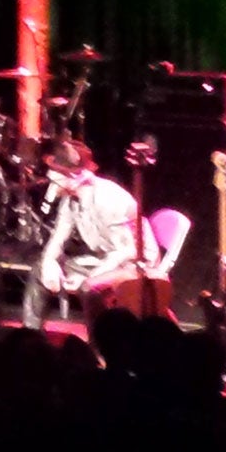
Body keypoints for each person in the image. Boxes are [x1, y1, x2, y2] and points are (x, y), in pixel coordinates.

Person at [34, 138, 164, 326]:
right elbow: (58, 238)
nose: (51, 178)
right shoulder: (70, 201)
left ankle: (99, 346)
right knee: (39, 269)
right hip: (106, 258)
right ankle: (31, 335)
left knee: (89, 289)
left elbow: (126, 251)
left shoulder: (108, 199)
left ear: (76, 177)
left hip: (135, 264)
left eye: (57, 174)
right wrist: (48, 264)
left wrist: (90, 277)